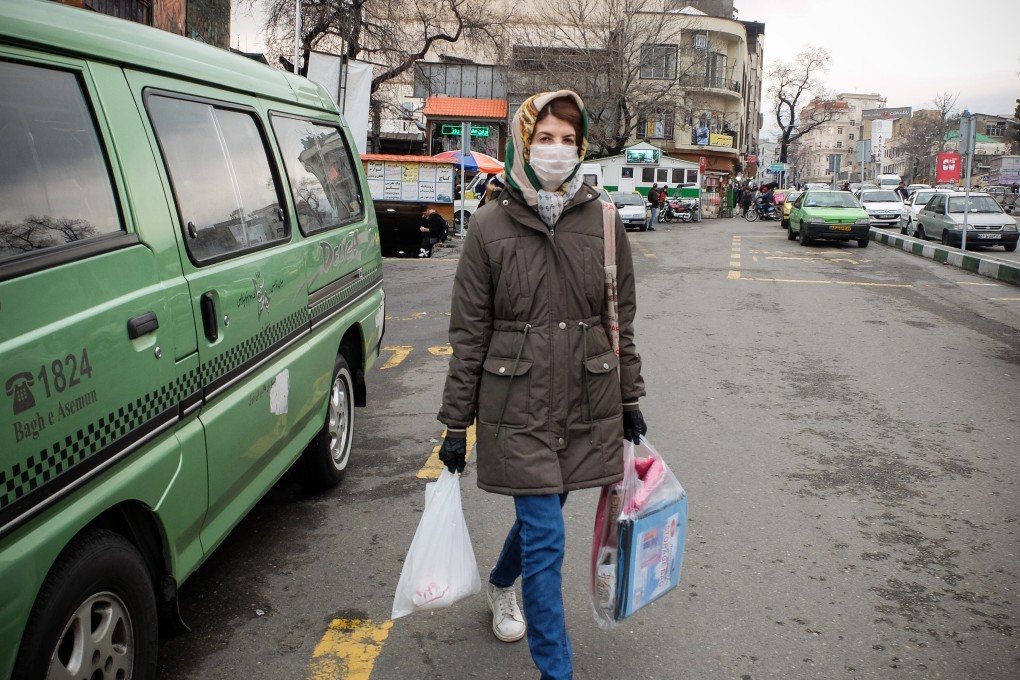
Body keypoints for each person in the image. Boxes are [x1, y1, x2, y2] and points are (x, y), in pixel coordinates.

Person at [435, 89, 647, 680]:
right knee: (548, 537)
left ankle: (503, 582)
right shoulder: (489, 225)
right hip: (518, 404)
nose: (557, 150)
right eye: (545, 137)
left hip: (585, 398)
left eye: (568, 139)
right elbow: (469, 333)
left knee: (546, 510)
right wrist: (457, 422)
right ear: (523, 143)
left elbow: (618, 321)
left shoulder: (604, 221)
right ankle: (557, 670)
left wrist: (629, 398)